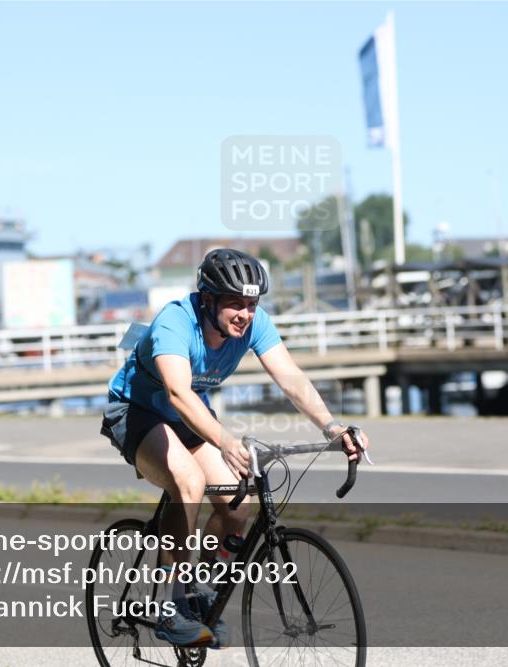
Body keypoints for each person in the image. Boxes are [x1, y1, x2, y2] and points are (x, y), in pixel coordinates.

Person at [100, 248, 369, 648]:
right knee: (188, 483)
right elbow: (177, 393)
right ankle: (171, 607)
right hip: (137, 411)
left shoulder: (254, 323)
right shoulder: (175, 321)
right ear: (208, 299)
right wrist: (225, 441)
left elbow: (291, 378)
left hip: (188, 416)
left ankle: (199, 592)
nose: (245, 314)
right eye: (234, 305)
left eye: (251, 304)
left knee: (236, 501)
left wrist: (331, 427)